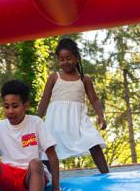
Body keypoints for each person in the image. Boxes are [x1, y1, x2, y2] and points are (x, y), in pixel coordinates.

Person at [38, 38, 110, 174]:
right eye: (62, 59)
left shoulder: (85, 79)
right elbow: (45, 100)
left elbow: (94, 99)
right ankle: (50, 181)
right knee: (47, 150)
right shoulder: (54, 77)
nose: (65, 62)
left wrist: (101, 116)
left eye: (69, 58)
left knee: (93, 140)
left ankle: (106, 175)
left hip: (78, 120)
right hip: (56, 121)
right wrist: (37, 120)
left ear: (77, 58)